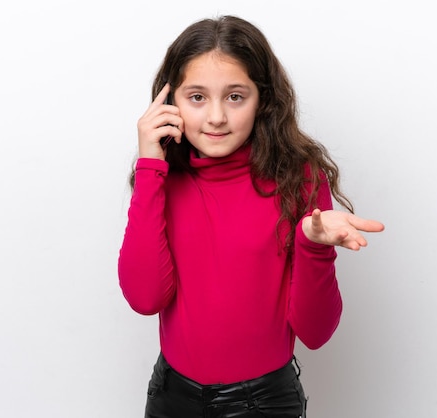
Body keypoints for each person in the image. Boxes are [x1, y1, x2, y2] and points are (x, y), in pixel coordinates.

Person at [118, 15, 384, 418]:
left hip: (264, 404)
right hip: (172, 398)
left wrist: (313, 246)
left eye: (235, 97)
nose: (216, 117)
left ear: (263, 100)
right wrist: (150, 168)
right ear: (170, 102)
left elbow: (315, 334)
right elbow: (145, 297)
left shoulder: (298, 177)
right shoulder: (161, 178)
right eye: (197, 97)